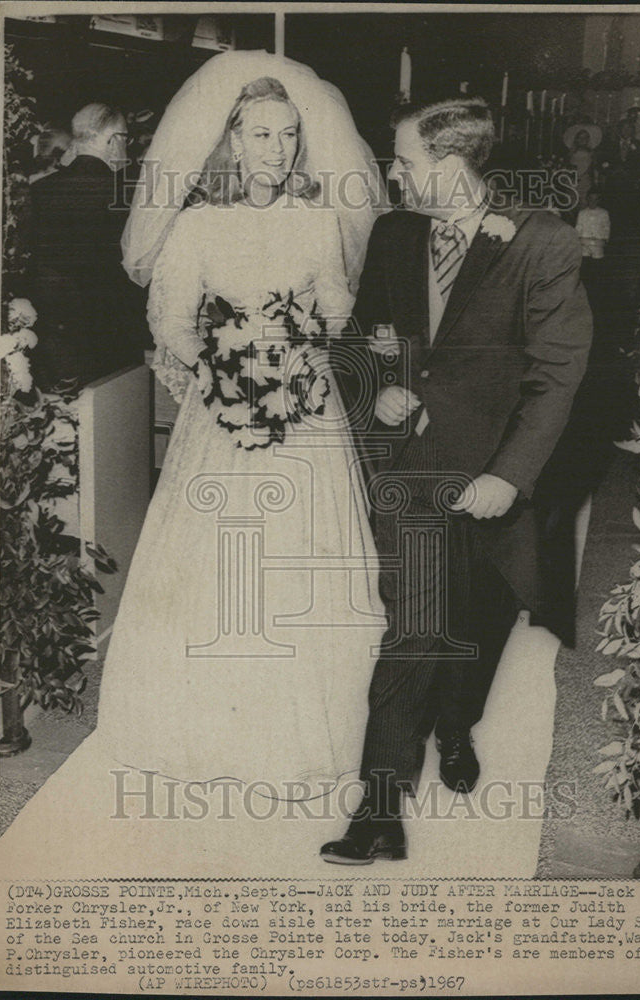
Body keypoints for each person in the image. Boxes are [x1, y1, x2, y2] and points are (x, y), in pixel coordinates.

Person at [94, 52, 388, 796]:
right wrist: (219, 372)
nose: (276, 150)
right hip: (219, 418)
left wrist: (303, 359)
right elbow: (170, 318)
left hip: (306, 414)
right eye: (260, 136)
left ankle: (307, 739)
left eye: (287, 136)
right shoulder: (196, 225)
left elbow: (333, 305)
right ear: (231, 141)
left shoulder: (319, 219)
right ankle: (205, 733)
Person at [321, 96, 593, 864]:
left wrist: (508, 475)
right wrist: (380, 385)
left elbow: (556, 376)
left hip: (498, 475)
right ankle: (378, 809)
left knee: (475, 623)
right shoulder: (392, 233)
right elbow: (356, 344)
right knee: (413, 627)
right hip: (412, 472)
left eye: (403, 159)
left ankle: (456, 725)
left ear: (447, 163)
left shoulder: (543, 242)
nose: (392, 173)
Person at [29, 103, 146, 390]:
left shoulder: (40, 191)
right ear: (111, 140)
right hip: (114, 330)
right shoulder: (127, 191)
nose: (127, 147)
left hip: (57, 335)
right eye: (125, 138)